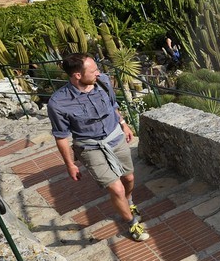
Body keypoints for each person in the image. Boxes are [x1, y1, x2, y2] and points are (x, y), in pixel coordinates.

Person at [47, 52, 147, 240]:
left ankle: (129, 201)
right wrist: (70, 164)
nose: (98, 73)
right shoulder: (58, 103)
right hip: (90, 147)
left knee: (129, 179)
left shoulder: (103, 82)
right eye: (93, 70)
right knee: (116, 188)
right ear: (78, 75)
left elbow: (113, 105)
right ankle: (131, 223)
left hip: (115, 138)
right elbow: (61, 137)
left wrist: (124, 124)